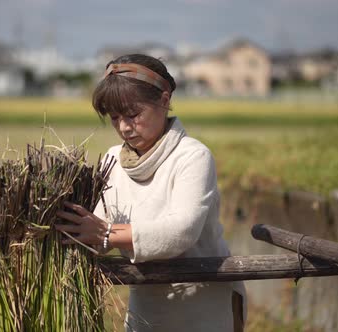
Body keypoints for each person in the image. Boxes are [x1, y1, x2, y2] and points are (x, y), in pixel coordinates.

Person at [55, 54, 246, 332]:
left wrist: (108, 234)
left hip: (203, 304)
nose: (123, 127)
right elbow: (95, 232)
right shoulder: (112, 160)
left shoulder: (192, 156)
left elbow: (181, 231)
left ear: (164, 101)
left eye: (133, 115)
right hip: (146, 303)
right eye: (115, 117)